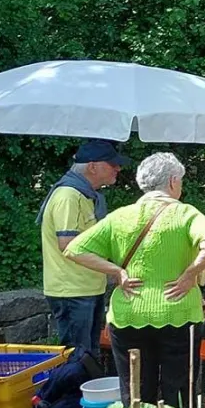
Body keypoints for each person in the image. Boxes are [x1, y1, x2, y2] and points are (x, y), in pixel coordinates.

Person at [65, 153, 205, 407]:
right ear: (173, 182)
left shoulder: (120, 216)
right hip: (179, 312)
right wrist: (190, 273)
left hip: (128, 313)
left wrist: (116, 272)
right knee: (180, 389)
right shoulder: (185, 214)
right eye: (180, 181)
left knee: (135, 391)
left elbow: (74, 249)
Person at [39, 140, 130, 358]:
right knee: (78, 358)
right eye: (112, 164)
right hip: (72, 292)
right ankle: (72, 394)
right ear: (92, 166)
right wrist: (114, 270)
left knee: (89, 355)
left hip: (86, 289)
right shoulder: (68, 196)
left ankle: (86, 393)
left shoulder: (84, 195)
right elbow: (69, 246)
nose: (118, 168)